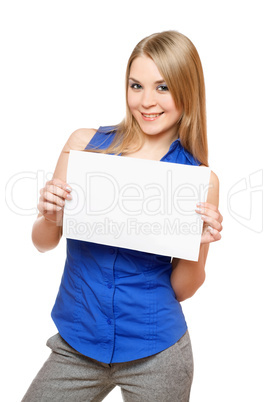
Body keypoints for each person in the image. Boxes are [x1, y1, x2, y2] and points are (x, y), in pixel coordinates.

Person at [22, 30, 223, 402]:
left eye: (163, 87)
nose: (146, 101)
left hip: (157, 354)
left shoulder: (198, 181)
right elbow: (43, 242)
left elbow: (182, 288)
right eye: (136, 85)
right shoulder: (85, 146)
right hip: (77, 344)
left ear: (187, 91)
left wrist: (195, 244)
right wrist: (50, 216)